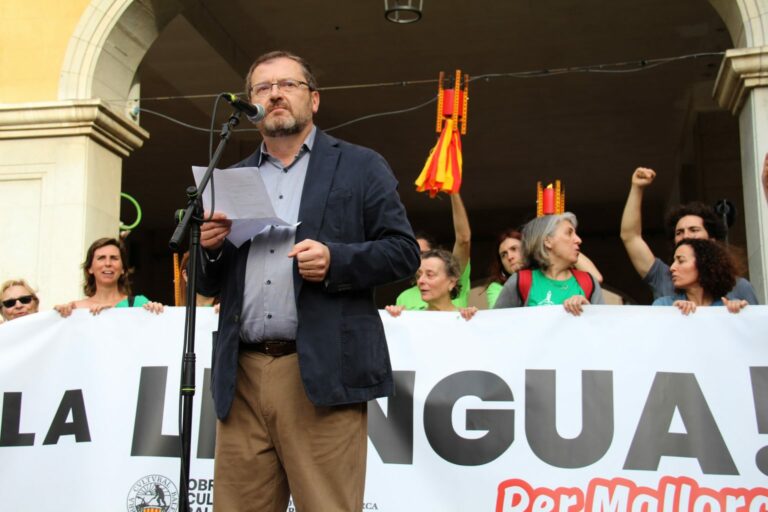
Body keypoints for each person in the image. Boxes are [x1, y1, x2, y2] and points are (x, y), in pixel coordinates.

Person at [196, 51, 420, 512]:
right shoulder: (230, 177)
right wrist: (211, 247)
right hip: (241, 375)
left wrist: (336, 260)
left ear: (313, 100)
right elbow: (208, 282)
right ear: (251, 105)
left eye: (288, 84)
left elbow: (403, 252)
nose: (275, 94)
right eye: (263, 88)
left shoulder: (360, 165)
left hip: (320, 371)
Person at [620, 167, 758, 303]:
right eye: (679, 232)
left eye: (694, 230)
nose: (685, 236)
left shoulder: (739, 287)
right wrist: (637, 188)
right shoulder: (665, 276)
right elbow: (631, 237)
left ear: (712, 240)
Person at [494, 212, 605, 315]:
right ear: (547, 241)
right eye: (569, 233)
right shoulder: (520, 281)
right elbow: (495, 323)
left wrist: (588, 310)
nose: (579, 240)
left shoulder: (588, 282)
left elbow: (604, 325)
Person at [396, 192, 471, 309]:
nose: (419, 259)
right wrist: (396, 315)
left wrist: (454, 192)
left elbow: (463, 240)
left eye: (424, 254)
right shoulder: (404, 297)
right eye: (413, 254)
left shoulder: (453, 274)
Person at [54, 237, 164, 316]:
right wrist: (59, 316)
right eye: (101, 258)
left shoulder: (138, 304)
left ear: (123, 269)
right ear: (90, 268)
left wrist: (157, 312)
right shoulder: (75, 309)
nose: (108, 263)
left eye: (114, 258)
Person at [652, 238, 748, 315]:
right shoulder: (663, 305)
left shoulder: (727, 307)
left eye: (681, 261)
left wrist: (740, 312)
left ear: (703, 264)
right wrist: (672, 313)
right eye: (673, 262)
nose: (672, 268)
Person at [386, 249, 477, 320]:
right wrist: (395, 317)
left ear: (452, 282)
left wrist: (474, 318)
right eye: (418, 276)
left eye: (430, 275)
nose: (420, 281)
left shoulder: (466, 317)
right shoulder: (411, 317)